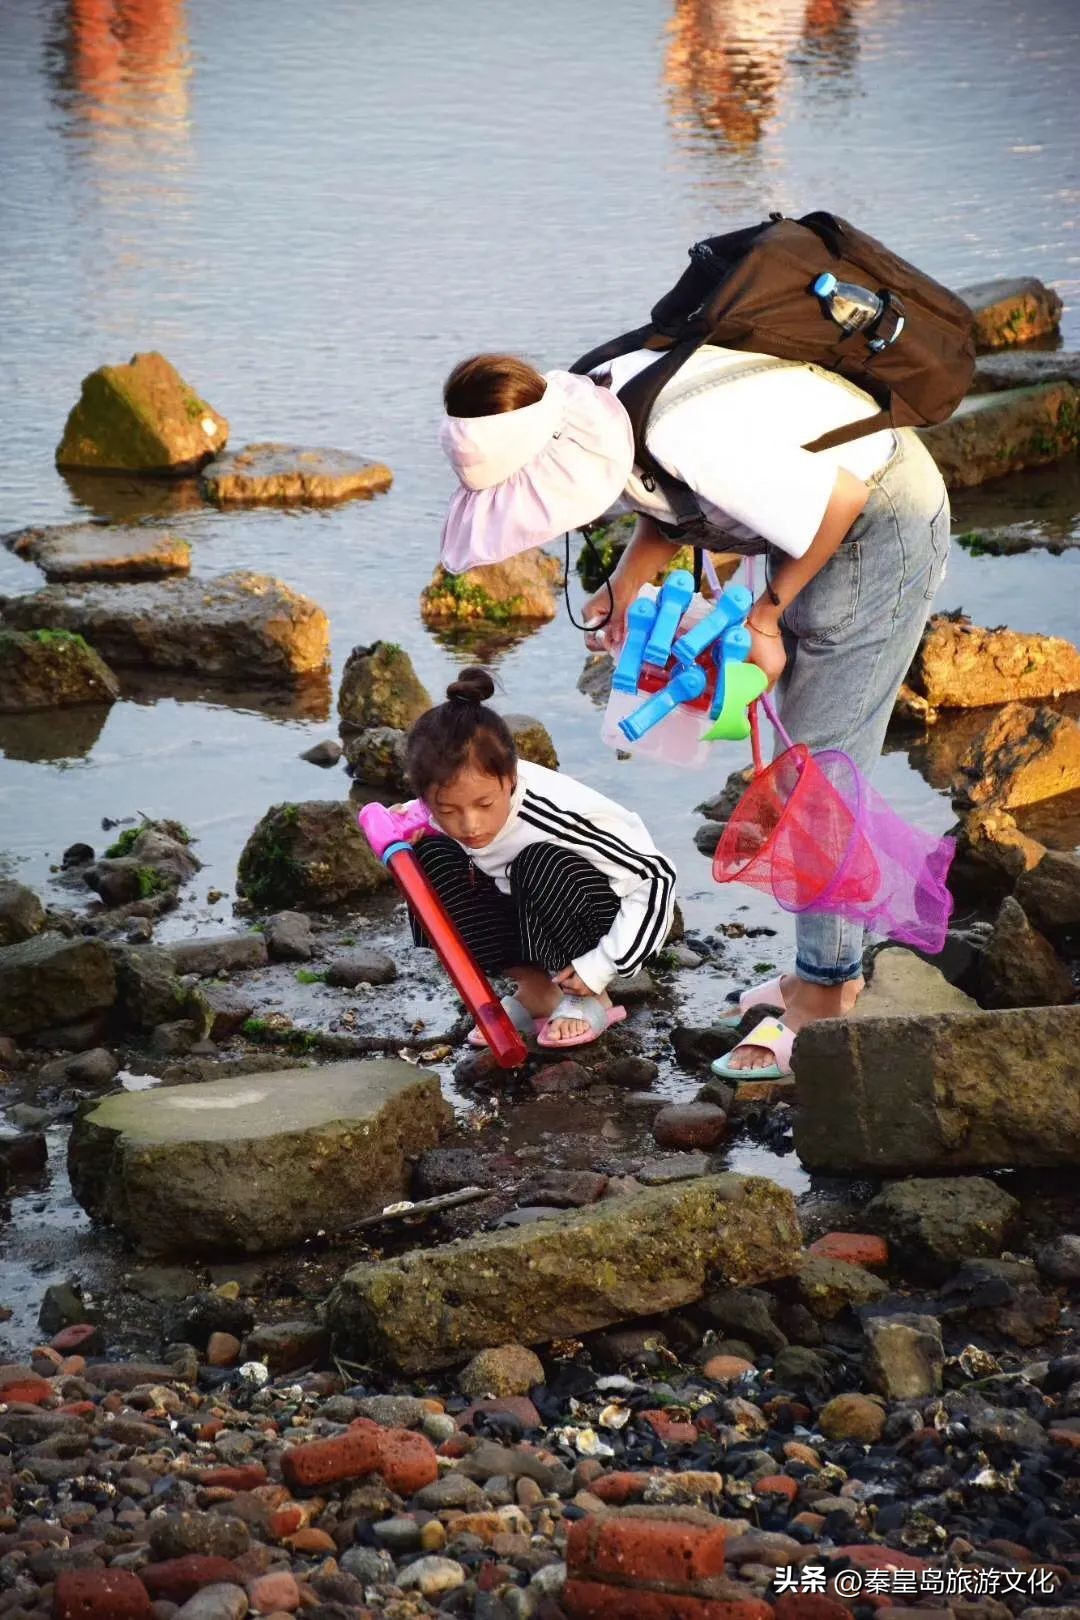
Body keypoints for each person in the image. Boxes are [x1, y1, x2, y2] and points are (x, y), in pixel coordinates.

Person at [437, 348, 950, 1077]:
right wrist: (624, 583)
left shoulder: (680, 430)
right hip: (811, 530)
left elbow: (839, 496)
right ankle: (814, 973)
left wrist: (765, 618)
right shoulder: (594, 404)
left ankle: (827, 995)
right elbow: (682, 501)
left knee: (816, 772)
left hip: (879, 521)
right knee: (796, 760)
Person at [399, 666, 677, 1050]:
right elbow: (420, 817)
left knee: (537, 861)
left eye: (484, 804)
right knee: (425, 857)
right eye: (447, 810)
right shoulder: (438, 808)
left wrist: (601, 966)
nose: (470, 824)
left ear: (510, 779)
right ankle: (538, 991)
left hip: (600, 911)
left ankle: (589, 996)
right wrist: (407, 825)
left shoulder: (551, 814)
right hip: (525, 904)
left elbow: (657, 877)